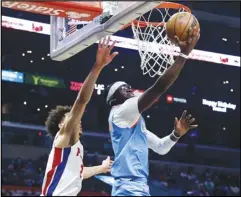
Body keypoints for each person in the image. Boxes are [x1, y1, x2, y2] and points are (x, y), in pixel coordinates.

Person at [104, 26, 200, 196]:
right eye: (123, 89)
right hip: (128, 188)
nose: (130, 90)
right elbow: (158, 88)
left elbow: (161, 148)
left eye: (129, 88)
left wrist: (176, 134)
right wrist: (183, 55)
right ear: (113, 100)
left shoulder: (134, 126)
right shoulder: (120, 112)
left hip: (137, 187)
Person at [41, 37, 118, 196]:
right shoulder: (63, 137)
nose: (77, 119)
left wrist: (101, 168)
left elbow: (79, 172)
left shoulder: (72, 148)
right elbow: (82, 100)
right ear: (62, 125)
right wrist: (98, 67)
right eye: (70, 118)